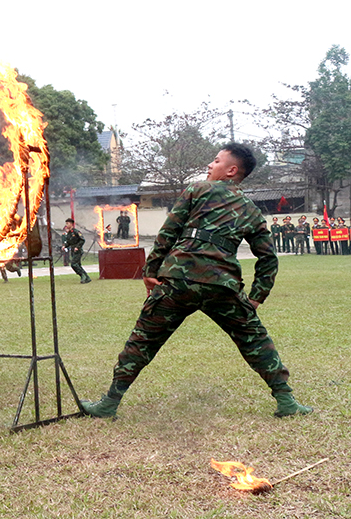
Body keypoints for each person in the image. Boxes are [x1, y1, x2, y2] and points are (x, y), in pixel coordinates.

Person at [81, 144, 312, 419]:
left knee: (143, 340)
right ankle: (286, 401)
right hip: (222, 285)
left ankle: (109, 403)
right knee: (255, 340)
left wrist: (151, 270)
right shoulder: (251, 210)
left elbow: (169, 231)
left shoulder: (197, 189)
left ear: (231, 170)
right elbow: (268, 258)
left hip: (178, 280)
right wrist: (256, 297)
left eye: (215, 161)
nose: (209, 166)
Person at [63, 218, 91, 284]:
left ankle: (82, 276)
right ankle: (87, 278)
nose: (66, 225)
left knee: (74, 264)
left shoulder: (76, 232)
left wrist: (77, 247)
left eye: (68, 223)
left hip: (78, 251)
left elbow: (82, 240)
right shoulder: (69, 233)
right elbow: (69, 242)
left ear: (71, 224)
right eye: (66, 223)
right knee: (78, 265)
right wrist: (65, 246)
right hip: (73, 251)